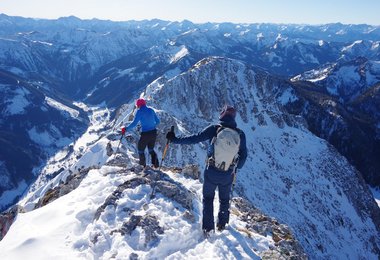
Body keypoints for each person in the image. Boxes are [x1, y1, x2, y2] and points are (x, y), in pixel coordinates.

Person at [166, 105, 247, 235]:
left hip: (212, 170)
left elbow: (194, 138)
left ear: (222, 114)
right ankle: (222, 224)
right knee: (224, 199)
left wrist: (174, 139)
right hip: (228, 173)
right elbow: (243, 156)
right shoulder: (240, 134)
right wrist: (235, 169)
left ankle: (208, 229)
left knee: (208, 198)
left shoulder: (214, 129)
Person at [122, 98, 160, 168]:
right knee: (151, 149)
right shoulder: (151, 110)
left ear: (138, 105)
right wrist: (152, 125)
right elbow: (158, 121)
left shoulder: (139, 112)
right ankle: (156, 165)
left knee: (140, 149)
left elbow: (134, 123)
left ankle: (142, 166)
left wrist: (126, 129)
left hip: (145, 134)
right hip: (153, 132)